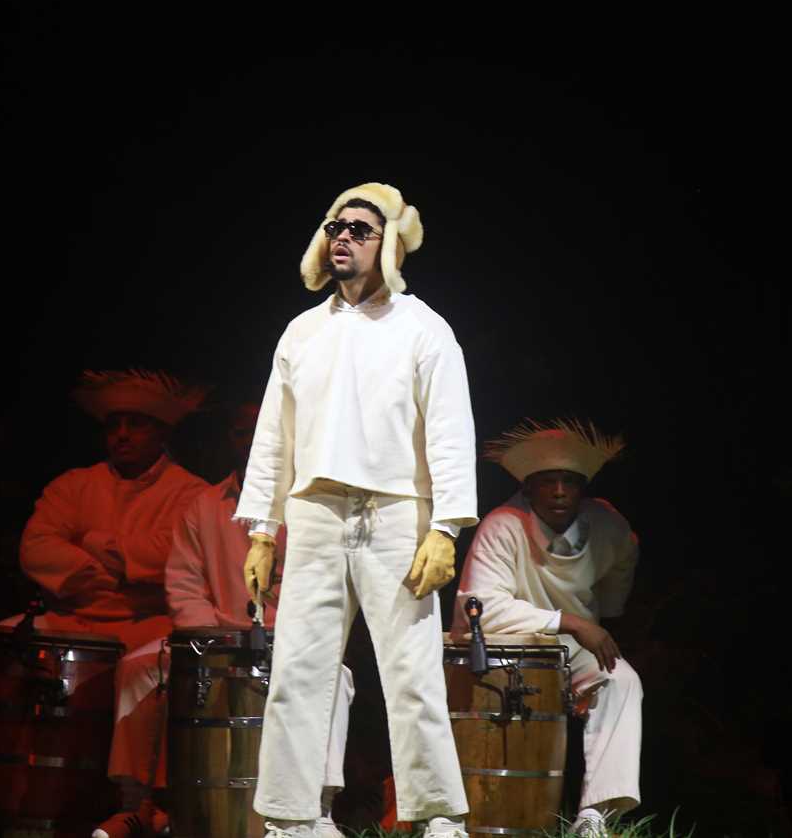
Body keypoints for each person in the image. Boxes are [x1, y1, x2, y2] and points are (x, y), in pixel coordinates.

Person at [235, 183, 477, 838]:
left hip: (396, 511)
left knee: (412, 669)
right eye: (335, 225)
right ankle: (291, 816)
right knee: (297, 669)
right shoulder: (302, 332)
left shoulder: (424, 328)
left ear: (389, 244)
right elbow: (275, 437)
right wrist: (262, 529)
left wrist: (446, 526)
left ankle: (435, 814)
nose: (342, 236)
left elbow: (450, 431)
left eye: (360, 229)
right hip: (313, 511)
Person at [0, 370, 208, 827]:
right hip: (71, 615)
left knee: (150, 666)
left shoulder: (191, 492)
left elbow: (169, 557)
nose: (122, 434)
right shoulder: (74, 484)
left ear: (162, 431)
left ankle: (138, 809)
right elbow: (38, 546)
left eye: (136, 423)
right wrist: (111, 571)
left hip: (145, 621)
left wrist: (93, 542)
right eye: (114, 424)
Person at [95, 402, 356, 838]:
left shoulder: (316, 507)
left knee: (337, 679)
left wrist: (289, 636)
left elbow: (334, 588)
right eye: (241, 432)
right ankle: (136, 805)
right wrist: (213, 641)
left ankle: (319, 810)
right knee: (139, 669)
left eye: (261, 430)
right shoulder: (204, 506)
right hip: (212, 640)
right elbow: (182, 584)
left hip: (292, 641)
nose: (252, 441)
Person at [454, 420, 643, 838]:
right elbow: (477, 611)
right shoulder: (503, 524)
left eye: (569, 481)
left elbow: (622, 567)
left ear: (582, 487)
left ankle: (596, 815)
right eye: (547, 482)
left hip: (570, 647)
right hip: (512, 644)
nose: (559, 491)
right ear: (529, 487)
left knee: (622, 681)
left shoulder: (608, 525)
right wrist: (572, 622)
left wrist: (600, 615)